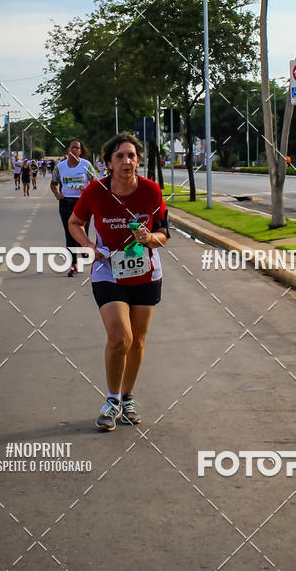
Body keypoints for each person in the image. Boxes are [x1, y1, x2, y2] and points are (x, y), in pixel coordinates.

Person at [69, 132, 168, 431]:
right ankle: (111, 400)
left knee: (137, 341)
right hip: (107, 268)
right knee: (120, 336)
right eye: (120, 156)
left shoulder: (151, 191)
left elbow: (164, 233)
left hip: (145, 269)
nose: (127, 161)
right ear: (109, 163)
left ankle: (127, 399)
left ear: (139, 161)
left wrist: (150, 238)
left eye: (132, 156)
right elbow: (75, 222)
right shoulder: (96, 191)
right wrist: (88, 244)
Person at [50, 139, 95, 277]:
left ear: (81, 151)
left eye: (78, 148)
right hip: (66, 203)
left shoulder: (86, 165)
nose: (75, 150)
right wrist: (57, 194)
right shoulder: (60, 166)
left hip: (82, 204)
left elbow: (95, 184)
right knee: (69, 235)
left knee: (82, 233)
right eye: (73, 147)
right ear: (68, 150)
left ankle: (84, 248)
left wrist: (85, 188)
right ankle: (73, 265)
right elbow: (53, 183)